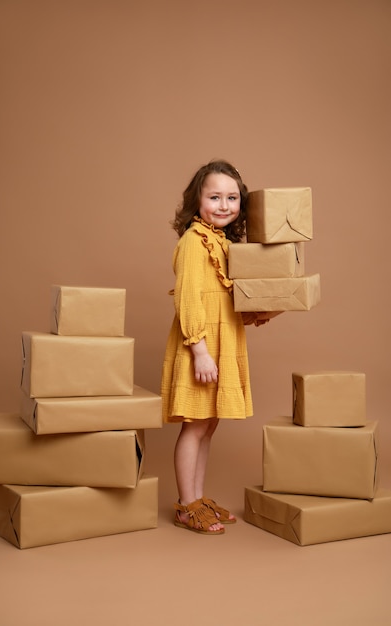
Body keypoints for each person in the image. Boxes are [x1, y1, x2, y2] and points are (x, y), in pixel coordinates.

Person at [161, 159, 277, 535]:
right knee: (195, 427)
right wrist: (200, 351)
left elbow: (224, 304)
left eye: (232, 198)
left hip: (220, 342)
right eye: (215, 196)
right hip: (202, 347)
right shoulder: (194, 244)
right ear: (197, 200)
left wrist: (264, 308)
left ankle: (197, 496)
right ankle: (186, 505)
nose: (224, 205)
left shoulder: (223, 243)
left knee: (208, 426)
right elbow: (190, 300)